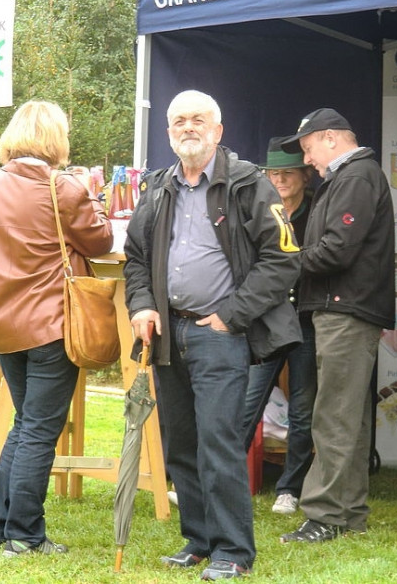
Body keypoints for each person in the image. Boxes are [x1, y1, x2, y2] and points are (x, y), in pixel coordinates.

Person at [123, 90, 300, 580]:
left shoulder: (250, 185)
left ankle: (233, 551)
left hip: (219, 333)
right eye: (178, 121)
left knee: (218, 441)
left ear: (218, 131)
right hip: (167, 333)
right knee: (180, 442)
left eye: (198, 119)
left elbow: (283, 259)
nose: (188, 127)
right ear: (168, 132)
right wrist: (141, 304)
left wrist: (232, 315)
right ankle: (198, 540)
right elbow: (136, 257)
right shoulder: (158, 187)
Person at [0, 100, 113, 556]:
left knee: (26, 424)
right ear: (56, 139)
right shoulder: (62, 188)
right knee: (40, 430)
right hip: (51, 323)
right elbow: (101, 240)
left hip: (4, 326)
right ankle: (25, 535)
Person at [278, 108, 395, 543]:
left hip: (346, 309)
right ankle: (346, 514)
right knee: (348, 417)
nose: (307, 161)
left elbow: (336, 250)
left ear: (330, 139)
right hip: (347, 307)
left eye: (308, 149)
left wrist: (284, 262)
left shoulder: (356, 177)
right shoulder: (351, 177)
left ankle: (325, 516)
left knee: (333, 416)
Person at [241, 136, 317, 516]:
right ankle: (221, 482)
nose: (280, 180)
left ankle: (290, 488)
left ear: (305, 175)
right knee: (245, 402)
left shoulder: (318, 210)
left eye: (288, 172)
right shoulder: (259, 206)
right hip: (267, 320)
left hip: (306, 319)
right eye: (273, 173)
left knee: (303, 408)